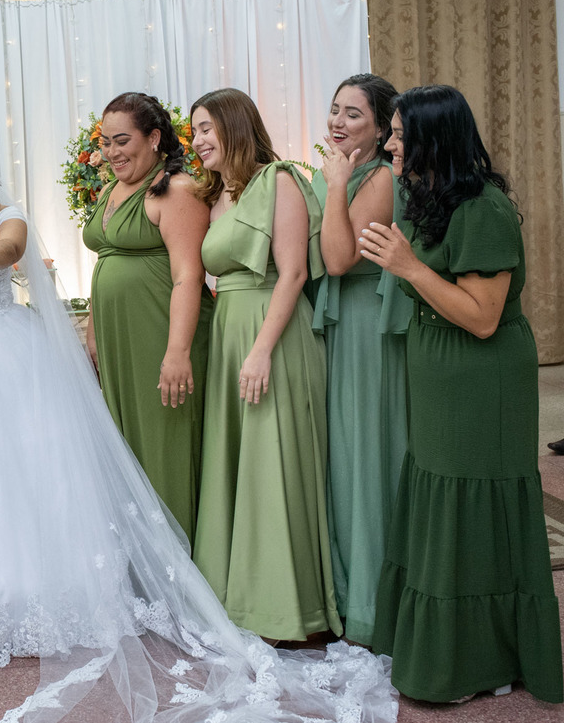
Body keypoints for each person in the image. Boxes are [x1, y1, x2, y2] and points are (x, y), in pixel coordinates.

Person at [0, 125, 397, 723]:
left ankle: (18, 599)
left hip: (0, 354)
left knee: (8, 475)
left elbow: (15, 245)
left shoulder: (4, 216)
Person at [362, 84, 563, 703]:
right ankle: (446, 650)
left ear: (433, 138)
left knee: (473, 508)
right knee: (439, 497)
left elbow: (481, 316)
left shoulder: (482, 208)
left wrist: (409, 267)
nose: (388, 142)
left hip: (482, 379)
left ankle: (481, 660)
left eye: (398, 133)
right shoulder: (431, 196)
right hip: (438, 372)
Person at [188, 87, 340, 643]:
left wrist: (259, 350)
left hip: (272, 337)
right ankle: (239, 598)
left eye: (206, 127)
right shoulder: (215, 196)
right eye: (194, 130)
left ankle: (284, 611)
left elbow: (295, 273)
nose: (198, 139)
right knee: (238, 464)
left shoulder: (280, 182)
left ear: (234, 126)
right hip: (231, 330)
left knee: (273, 465)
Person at [83, 92, 213, 541]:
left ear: (154, 138)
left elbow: (189, 276)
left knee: (164, 447)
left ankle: (180, 565)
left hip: (161, 335)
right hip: (121, 343)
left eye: (123, 141)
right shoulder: (110, 190)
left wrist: (177, 352)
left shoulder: (177, 190)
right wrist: (93, 330)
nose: (112, 152)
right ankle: (141, 565)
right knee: (126, 448)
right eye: (105, 143)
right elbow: (105, 262)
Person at [309, 75, 410, 647]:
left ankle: (372, 603)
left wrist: (337, 183)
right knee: (342, 456)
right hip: (340, 324)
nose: (338, 122)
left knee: (365, 455)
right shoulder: (343, 172)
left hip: (369, 327)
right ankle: (346, 592)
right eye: (335, 110)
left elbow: (342, 259)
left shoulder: (379, 176)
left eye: (353, 114)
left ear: (380, 127)